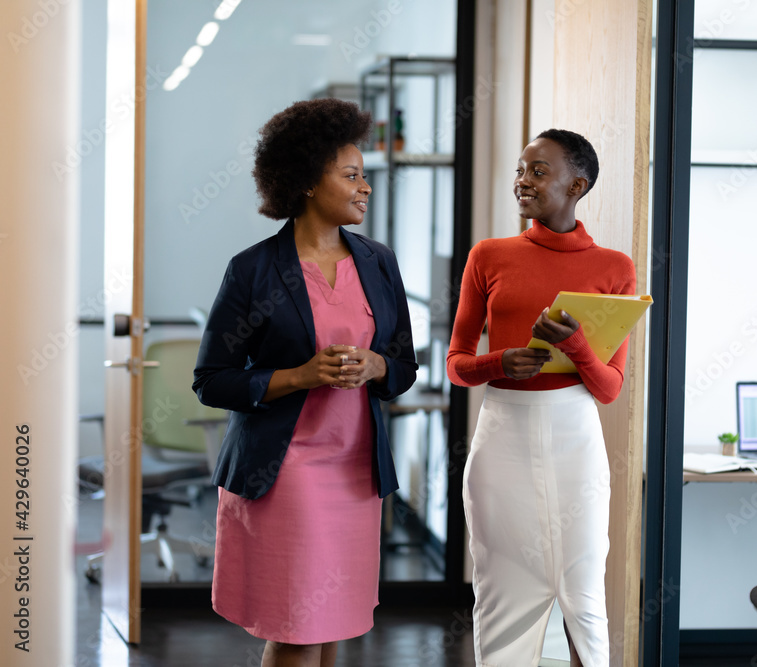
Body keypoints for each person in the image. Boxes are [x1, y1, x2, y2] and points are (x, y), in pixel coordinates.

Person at [193, 98, 417, 667]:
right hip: (284, 471)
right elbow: (212, 380)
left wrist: (377, 366)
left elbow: (405, 366)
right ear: (308, 182)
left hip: (354, 472)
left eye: (364, 175)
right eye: (351, 175)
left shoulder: (379, 262)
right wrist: (300, 375)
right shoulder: (254, 269)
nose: (365, 186)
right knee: (297, 627)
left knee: (332, 621)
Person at [447, 129, 637, 667]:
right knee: (501, 591)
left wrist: (573, 343)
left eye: (537, 171)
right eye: (520, 170)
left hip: (574, 441)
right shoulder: (488, 256)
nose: (522, 182)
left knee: (583, 594)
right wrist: (499, 363)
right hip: (502, 436)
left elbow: (608, 388)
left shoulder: (615, 269)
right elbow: (457, 365)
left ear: (577, 185)